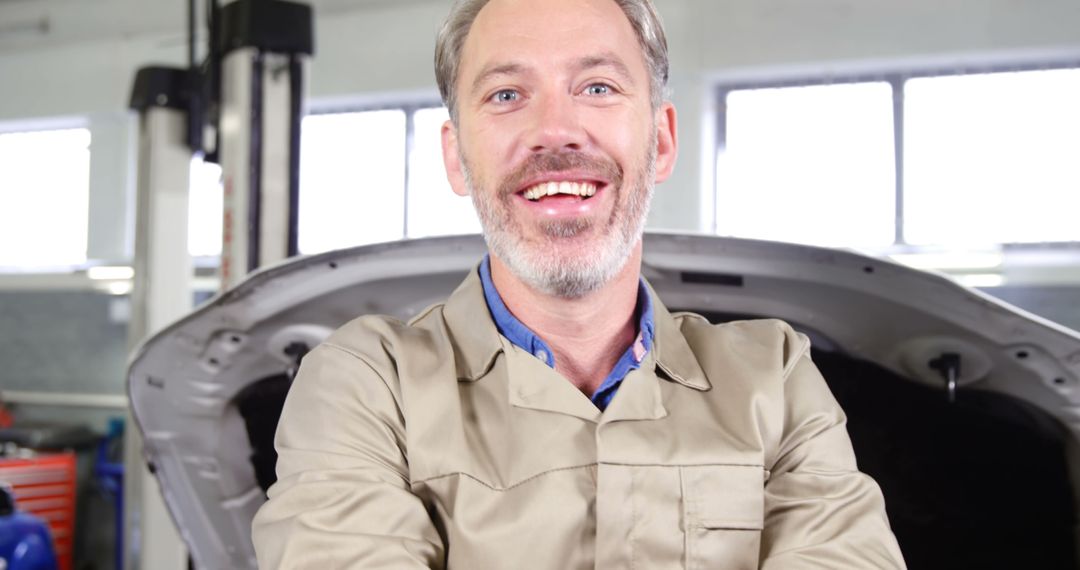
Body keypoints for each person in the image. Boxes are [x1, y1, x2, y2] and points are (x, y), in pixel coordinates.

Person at [252, 0, 906, 567]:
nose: (555, 132)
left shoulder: (776, 378)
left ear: (663, 140)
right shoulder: (366, 385)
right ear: (456, 156)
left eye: (596, 86)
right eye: (507, 95)